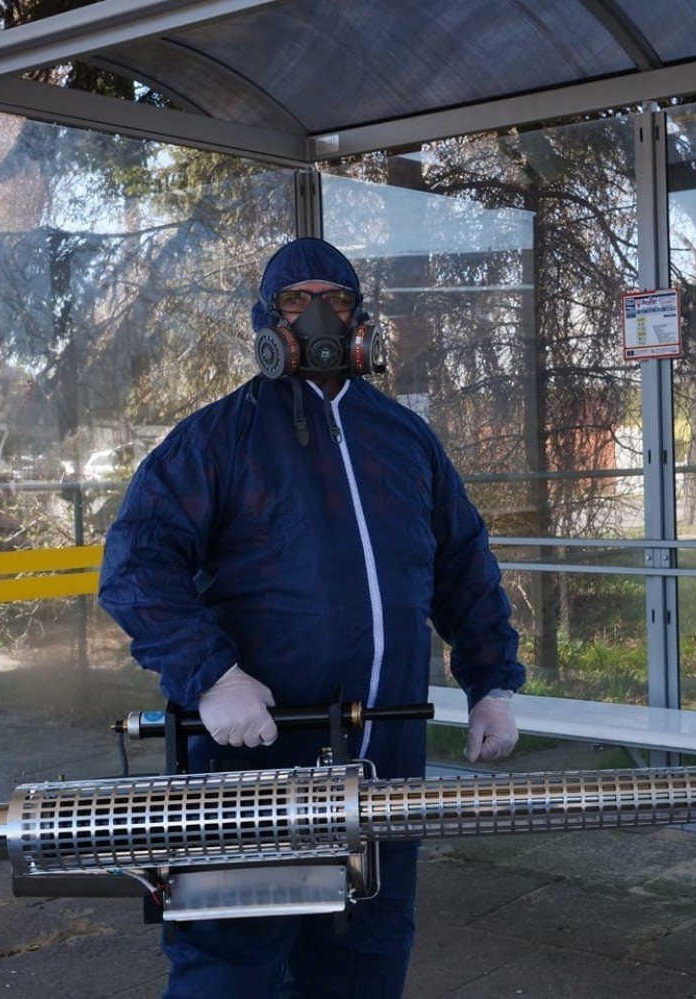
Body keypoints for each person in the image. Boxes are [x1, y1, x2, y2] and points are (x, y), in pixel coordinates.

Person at [98, 236, 525, 998]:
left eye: (336, 299)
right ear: (267, 320)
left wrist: (491, 682)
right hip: (249, 775)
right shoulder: (218, 439)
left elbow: (463, 562)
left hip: (382, 769)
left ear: (361, 321)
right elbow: (136, 561)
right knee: (230, 967)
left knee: (365, 958)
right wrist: (211, 676)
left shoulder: (405, 440)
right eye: (298, 301)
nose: (319, 316)